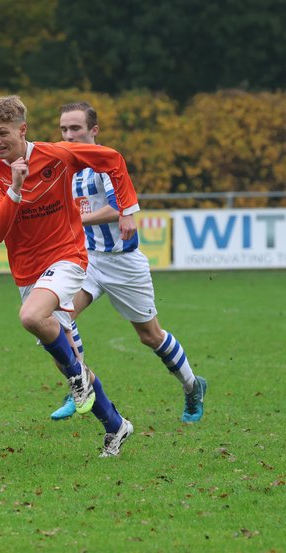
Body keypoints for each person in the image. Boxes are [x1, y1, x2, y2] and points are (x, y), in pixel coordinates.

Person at [0, 95, 135, 457]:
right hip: (27, 273)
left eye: (2, 132)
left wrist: (128, 208)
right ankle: (116, 426)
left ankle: (79, 378)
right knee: (69, 360)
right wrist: (14, 189)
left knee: (32, 317)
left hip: (67, 257)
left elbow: (112, 160)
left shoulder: (59, 155)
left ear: (22, 129)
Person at [49, 102, 207, 423]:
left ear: (94, 131)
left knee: (150, 336)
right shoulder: (66, 168)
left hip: (124, 263)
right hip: (87, 260)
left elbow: (117, 205)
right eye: (64, 129)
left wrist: (83, 219)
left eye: (75, 128)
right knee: (56, 318)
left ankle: (192, 386)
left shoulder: (105, 164)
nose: (69, 135)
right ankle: (81, 385)